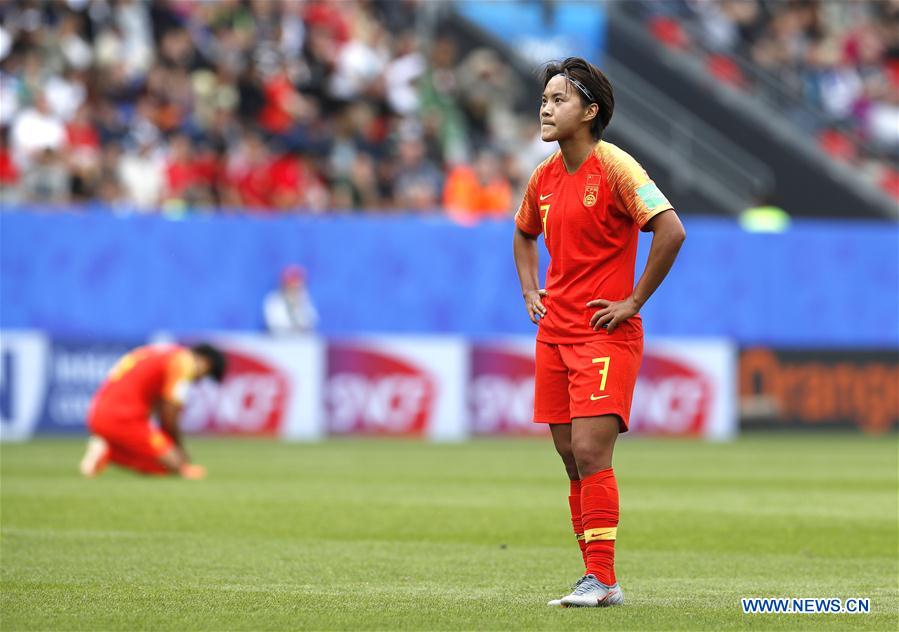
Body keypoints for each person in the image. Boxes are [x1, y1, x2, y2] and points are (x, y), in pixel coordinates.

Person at [512, 57, 686, 607]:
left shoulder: (616, 167)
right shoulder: (542, 177)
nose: (545, 107)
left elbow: (671, 230)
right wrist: (530, 289)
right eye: (543, 98)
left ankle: (604, 579)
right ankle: (595, 576)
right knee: (569, 454)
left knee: (590, 449)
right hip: (555, 334)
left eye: (558, 99)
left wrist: (633, 300)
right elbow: (522, 235)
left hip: (604, 334)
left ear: (589, 111)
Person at [78, 343, 227, 479]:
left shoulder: (160, 352)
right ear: (206, 362)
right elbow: (169, 413)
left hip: (98, 412)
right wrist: (179, 451)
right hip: (123, 418)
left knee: (160, 458)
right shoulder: (184, 363)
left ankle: (107, 450)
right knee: (174, 464)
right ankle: (110, 452)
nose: (198, 381)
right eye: (205, 376)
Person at [263, 264, 319, 335]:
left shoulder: (304, 298)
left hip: (303, 341)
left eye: (298, 286)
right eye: (291, 286)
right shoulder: (274, 300)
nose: (295, 289)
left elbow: (312, 321)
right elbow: (276, 325)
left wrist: (297, 307)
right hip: (280, 341)